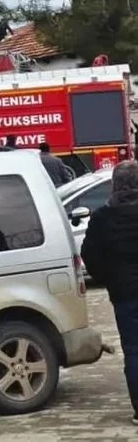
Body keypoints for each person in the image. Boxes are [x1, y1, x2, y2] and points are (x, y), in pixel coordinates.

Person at [81, 160, 138, 424]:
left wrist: (108, 279)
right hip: (125, 292)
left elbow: (89, 256)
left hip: (125, 295)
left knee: (134, 351)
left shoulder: (102, 218)